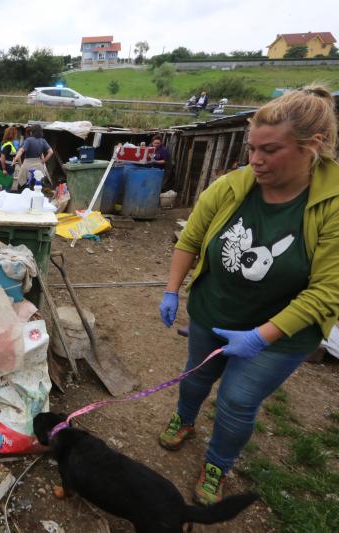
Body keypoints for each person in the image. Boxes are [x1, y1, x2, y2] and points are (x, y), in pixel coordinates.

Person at [157, 85, 339, 506]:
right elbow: (192, 239)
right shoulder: (233, 185)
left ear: (311, 146)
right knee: (196, 376)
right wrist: (171, 290)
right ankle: (184, 419)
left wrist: (259, 337)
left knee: (238, 401)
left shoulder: (331, 204)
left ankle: (218, 461)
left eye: (270, 150)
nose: (255, 160)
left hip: (283, 333)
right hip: (213, 311)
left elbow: (328, 290)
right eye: (251, 148)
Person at [12, 124, 53, 191]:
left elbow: (21, 150)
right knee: (37, 187)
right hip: (39, 165)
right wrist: (43, 161)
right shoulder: (43, 141)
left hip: (27, 164)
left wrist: (16, 159)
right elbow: (51, 152)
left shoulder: (28, 140)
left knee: (24, 186)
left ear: (31, 132)